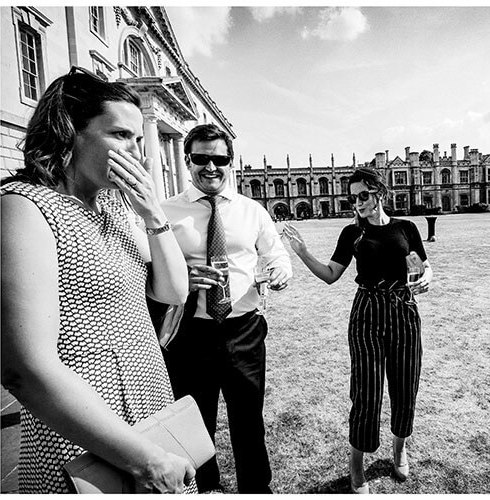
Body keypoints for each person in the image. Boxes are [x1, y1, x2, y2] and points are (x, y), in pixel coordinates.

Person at [0, 67, 194, 493]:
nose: (139, 154)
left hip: (150, 407)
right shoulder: (25, 206)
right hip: (83, 434)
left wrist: (154, 216)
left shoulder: (115, 209)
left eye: (140, 140)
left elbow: (174, 291)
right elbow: (24, 369)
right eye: (121, 135)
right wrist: (146, 460)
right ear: (71, 132)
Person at [282, 167, 432, 494]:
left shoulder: (406, 228)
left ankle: (399, 449)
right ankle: (356, 467)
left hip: (404, 312)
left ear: (379, 192)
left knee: (406, 385)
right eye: (354, 197)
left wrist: (427, 276)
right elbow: (330, 274)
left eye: (363, 195)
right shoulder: (353, 233)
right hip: (367, 313)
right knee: (366, 393)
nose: (358, 202)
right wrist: (303, 252)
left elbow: (420, 264)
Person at [160, 123, 292, 494]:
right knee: (195, 419)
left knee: (248, 419)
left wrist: (280, 272)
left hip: (244, 330)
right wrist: (182, 275)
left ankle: (256, 488)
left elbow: (275, 253)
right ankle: (204, 488)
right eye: (201, 158)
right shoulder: (165, 213)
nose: (210, 167)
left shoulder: (252, 212)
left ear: (230, 162)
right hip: (190, 332)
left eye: (219, 159)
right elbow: (149, 268)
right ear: (188, 161)